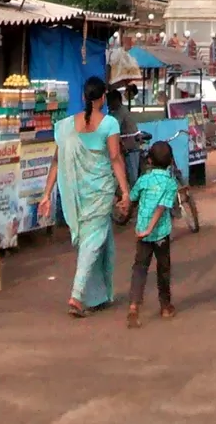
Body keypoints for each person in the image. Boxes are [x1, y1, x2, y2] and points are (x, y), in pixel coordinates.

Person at [39, 75, 130, 318]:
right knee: (93, 243)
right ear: (103, 98)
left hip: (77, 193)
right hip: (99, 192)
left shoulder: (67, 125)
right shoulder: (109, 124)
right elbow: (115, 158)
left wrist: (46, 194)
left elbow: (56, 161)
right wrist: (125, 191)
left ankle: (100, 295)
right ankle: (77, 295)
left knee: (104, 243)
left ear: (83, 97)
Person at [127, 140, 179, 326]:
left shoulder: (144, 179)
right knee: (163, 269)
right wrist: (151, 228)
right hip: (160, 234)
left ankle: (134, 306)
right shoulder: (170, 183)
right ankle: (165, 306)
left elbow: (132, 197)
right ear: (171, 161)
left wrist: (143, 227)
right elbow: (161, 207)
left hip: (142, 233)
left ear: (149, 160)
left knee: (140, 268)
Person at [107, 88, 143, 187]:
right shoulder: (114, 112)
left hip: (131, 147)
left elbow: (113, 127)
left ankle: (133, 199)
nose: (108, 103)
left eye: (110, 101)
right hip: (125, 148)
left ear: (117, 100)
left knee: (132, 177)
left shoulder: (121, 112)